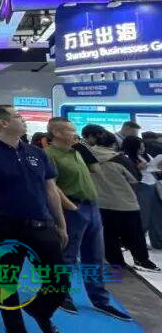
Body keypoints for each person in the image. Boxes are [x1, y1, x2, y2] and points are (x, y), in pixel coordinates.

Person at [0, 104, 70, 333]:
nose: (23, 119)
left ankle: (39, 310)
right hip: (6, 226)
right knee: (7, 283)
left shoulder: (37, 153)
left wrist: (61, 223)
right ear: (3, 123)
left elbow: (51, 190)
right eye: (18, 116)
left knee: (59, 280)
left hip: (41, 224)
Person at [44, 118, 130, 320]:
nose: (75, 133)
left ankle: (100, 299)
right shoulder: (49, 155)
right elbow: (51, 186)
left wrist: (84, 149)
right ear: (56, 133)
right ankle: (61, 294)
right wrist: (69, 206)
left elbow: (96, 170)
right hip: (72, 208)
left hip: (91, 207)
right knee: (67, 255)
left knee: (95, 255)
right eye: (70, 130)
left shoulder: (77, 151)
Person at [90, 132, 160, 271]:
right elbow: (135, 178)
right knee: (135, 234)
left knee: (109, 234)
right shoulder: (119, 159)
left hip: (101, 201)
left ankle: (116, 263)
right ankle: (141, 260)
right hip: (124, 201)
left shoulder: (88, 156)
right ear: (113, 144)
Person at [121, 136, 162, 250]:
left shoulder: (146, 155)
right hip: (141, 186)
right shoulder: (126, 158)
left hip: (153, 185)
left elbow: (154, 168)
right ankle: (138, 241)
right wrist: (136, 167)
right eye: (140, 147)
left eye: (143, 146)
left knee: (157, 214)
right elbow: (126, 174)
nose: (142, 149)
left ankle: (158, 241)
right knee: (144, 216)